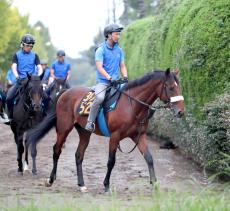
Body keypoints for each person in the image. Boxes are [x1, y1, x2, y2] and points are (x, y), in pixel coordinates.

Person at [85, 23, 128, 132]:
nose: (118, 36)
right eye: (116, 34)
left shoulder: (120, 50)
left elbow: (122, 66)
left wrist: (125, 76)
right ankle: (90, 122)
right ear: (108, 35)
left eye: (119, 34)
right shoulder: (101, 50)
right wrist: (109, 78)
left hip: (117, 82)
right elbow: (99, 67)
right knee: (99, 98)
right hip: (103, 82)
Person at [4, 33, 43, 122]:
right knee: (9, 98)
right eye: (28, 45)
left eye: (31, 46)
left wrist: (39, 76)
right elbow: (14, 66)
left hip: (32, 81)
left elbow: (39, 67)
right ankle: (10, 117)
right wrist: (17, 76)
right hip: (21, 81)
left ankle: (43, 117)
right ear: (22, 44)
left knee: (46, 97)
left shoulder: (35, 55)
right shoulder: (16, 55)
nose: (30, 47)